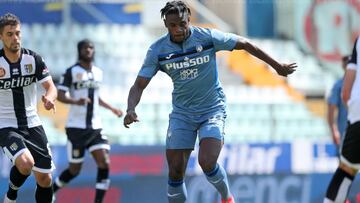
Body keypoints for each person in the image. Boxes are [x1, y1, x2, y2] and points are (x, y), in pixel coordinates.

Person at [123, 1, 297, 203]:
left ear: (188, 19)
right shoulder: (158, 50)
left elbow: (245, 43)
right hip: (182, 115)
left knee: (207, 161)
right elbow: (138, 85)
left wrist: (277, 66)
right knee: (176, 171)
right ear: (166, 25)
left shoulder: (207, 37)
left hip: (212, 109)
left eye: (182, 23)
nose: (178, 29)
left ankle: (226, 198)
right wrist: (130, 108)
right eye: (173, 25)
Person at [52, 39, 123, 203]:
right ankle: (52, 189)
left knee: (104, 162)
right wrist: (76, 101)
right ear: (79, 51)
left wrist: (112, 108)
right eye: (85, 48)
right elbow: (61, 95)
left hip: (95, 127)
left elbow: (96, 97)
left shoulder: (98, 72)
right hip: (76, 128)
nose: (88, 50)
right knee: (74, 170)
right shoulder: (71, 72)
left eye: (91, 48)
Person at [0, 13, 57, 203]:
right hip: (6, 125)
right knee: (26, 164)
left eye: (17, 33)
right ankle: (10, 196)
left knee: (45, 179)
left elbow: (50, 87)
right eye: (9, 34)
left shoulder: (33, 59)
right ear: (1, 36)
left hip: (33, 123)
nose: (14, 38)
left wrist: (49, 99)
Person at [324, 37, 359, 203]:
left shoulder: (359, 41)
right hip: (347, 129)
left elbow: (346, 95)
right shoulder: (336, 84)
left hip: (355, 122)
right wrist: (334, 129)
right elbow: (331, 109)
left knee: (346, 171)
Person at [326, 56, 350, 146]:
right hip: (344, 131)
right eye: (346, 64)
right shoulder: (338, 85)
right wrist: (334, 130)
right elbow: (331, 110)